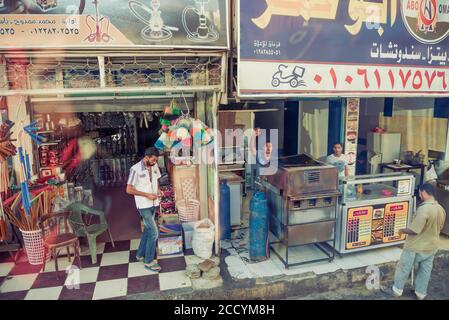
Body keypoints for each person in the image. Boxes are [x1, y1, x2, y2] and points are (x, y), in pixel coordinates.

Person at [383, 183, 446, 300]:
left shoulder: (424, 209)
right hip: (431, 246)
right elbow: (440, 227)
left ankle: (397, 290)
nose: (420, 195)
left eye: (420, 193)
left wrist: (402, 230)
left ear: (425, 192)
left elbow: (415, 230)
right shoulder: (441, 209)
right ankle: (420, 293)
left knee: (403, 268)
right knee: (425, 270)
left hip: (415, 247)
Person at [126, 147, 162, 272]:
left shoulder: (155, 166)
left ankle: (140, 254)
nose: (154, 162)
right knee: (154, 232)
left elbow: (156, 180)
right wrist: (146, 195)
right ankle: (149, 261)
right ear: (146, 157)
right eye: (153, 160)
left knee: (148, 229)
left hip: (154, 203)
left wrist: (158, 190)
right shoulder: (135, 169)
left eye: (156, 160)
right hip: (143, 205)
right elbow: (129, 189)